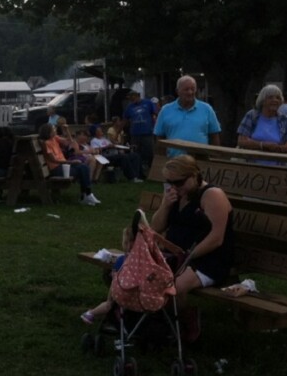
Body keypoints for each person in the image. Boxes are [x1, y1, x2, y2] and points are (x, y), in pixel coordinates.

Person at [150, 154, 235, 326]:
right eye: (169, 182)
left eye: (179, 182)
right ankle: (153, 323)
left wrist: (187, 256)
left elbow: (216, 237)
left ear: (194, 176)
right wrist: (165, 204)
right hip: (175, 255)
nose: (174, 187)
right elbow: (156, 227)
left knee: (176, 286)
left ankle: (180, 325)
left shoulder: (212, 195)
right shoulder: (176, 195)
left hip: (207, 259)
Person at [153, 75, 221, 155]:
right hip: (174, 161)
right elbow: (160, 138)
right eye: (186, 89)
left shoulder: (207, 109)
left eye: (193, 89)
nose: (190, 92)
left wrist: (215, 158)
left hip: (201, 162)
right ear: (177, 91)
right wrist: (160, 162)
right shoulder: (165, 110)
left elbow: (214, 136)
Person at [81, 224, 135, 325]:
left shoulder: (121, 260)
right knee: (112, 304)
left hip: (119, 287)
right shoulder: (142, 262)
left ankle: (90, 313)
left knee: (109, 303)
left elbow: (113, 275)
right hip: (134, 292)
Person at [38, 122, 99, 205]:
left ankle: (86, 195)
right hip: (56, 169)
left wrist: (67, 130)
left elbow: (70, 142)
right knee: (82, 169)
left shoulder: (54, 138)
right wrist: (71, 162)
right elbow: (54, 160)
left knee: (84, 167)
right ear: (49, 132)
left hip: (63, 165)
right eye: (53, 129)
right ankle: (86, 195)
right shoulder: (46, 143)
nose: (55, 130)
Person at [236, 84, 287, 155]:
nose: (275, 100)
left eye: (278, 98)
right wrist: (263, 145)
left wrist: (277, 149)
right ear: (262, 101)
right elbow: (241, 141)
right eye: (270, 97)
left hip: (276, 164)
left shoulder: (285, 119)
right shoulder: (252, 115)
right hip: (251, 163)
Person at [123, 91, 157, 176]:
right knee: (136, 153)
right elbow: (125, 119)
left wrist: (156, 126)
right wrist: (119, 130)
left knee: (149, 152)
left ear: (138, 96)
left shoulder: (148, 103)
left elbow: (155, 114)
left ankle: (152, 171)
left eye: (133, 97)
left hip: (147, 133)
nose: (131, 99)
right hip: (135, 134)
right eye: (130, 98)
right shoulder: (129, 107)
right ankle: (138, 172)